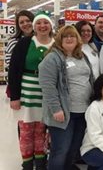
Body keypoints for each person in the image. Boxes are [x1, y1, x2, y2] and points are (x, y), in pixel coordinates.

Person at [38, 25, 94, 170]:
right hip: (64, 114)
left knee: (73, 148)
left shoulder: (82, 56)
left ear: (78, 39)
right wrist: (56, 109)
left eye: (73, 36)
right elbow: (48, 86)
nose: (69, 39)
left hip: (82, 112)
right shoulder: (53, 58)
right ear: (59, 39)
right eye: (66, 36)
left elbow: (90, 79)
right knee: (60, 150)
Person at [8, 12, 54, 170]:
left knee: (41, 131)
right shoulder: (25, 43)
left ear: (51, 26)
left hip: (45, 95)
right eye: (39, 23)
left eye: (46, 23)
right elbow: (13, 70)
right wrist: (15, 97)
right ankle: (27, 164)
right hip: (26, 93)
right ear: (34, 26)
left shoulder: (56, 44)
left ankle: (40, 164)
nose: (42, 26)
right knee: (26, 131)